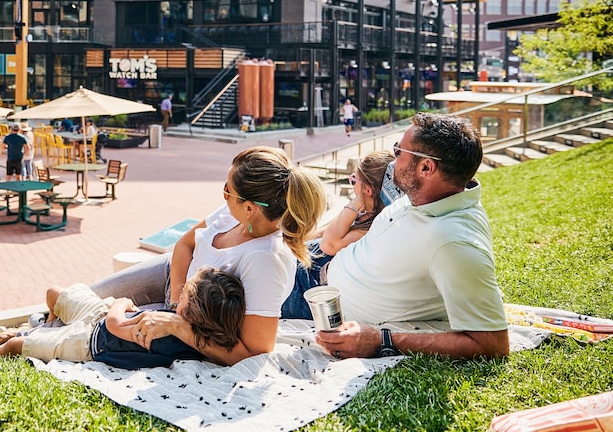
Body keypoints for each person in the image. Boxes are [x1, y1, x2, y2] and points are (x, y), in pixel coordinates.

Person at [89, 146, 327, 366]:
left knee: (95, 322)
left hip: (192, 312)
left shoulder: (266, 261)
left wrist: (178, 325)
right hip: (174, 275)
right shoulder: (236, 212)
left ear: (249, 208)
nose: (224, 194)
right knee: (91, 297)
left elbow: (253, 353)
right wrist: (174, 303)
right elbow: (185, 244)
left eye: (227, 190)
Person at [303, 113, 509, 361]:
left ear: (425, 167)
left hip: (317, 300)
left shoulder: (453, 242)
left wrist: (382, 341)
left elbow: (492, 344)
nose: (393, 159)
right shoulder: (424, 196)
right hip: (318, 265)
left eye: (399, 151)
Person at [0, 267, 245, 369]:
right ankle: (48, 326)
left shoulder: (165, 331)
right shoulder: (196, 331)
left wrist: (121, 302)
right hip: (98, 316)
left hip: (89, 341)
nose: (179, 293)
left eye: (185, 293)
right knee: (54, 293)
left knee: (16, 346)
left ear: (190, 310)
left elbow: (116, 324)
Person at [279, 151, 396, 319]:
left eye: (354, 180)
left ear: (368, 189)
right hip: (304, 267)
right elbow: (324, 232)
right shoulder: (363, 213)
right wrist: (289, 243)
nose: (352, 185)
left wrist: (357, 201)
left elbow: (329, 245)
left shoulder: (371, 230)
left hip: (307, 289)